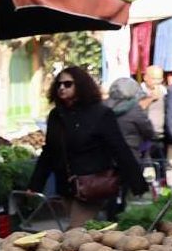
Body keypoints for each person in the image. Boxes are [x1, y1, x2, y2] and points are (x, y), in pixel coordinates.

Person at [28, 66, 148, 228]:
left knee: (74, 231)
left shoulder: (101, 114)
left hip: (93, 185)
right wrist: (35, 184)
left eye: (68, 84)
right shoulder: (56, 115)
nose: (62, 88)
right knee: (80, 231)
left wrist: (136, 183)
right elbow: (49, 151)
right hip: (66, 186)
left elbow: (119, 149)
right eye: (59, 84)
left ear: (81, 85)